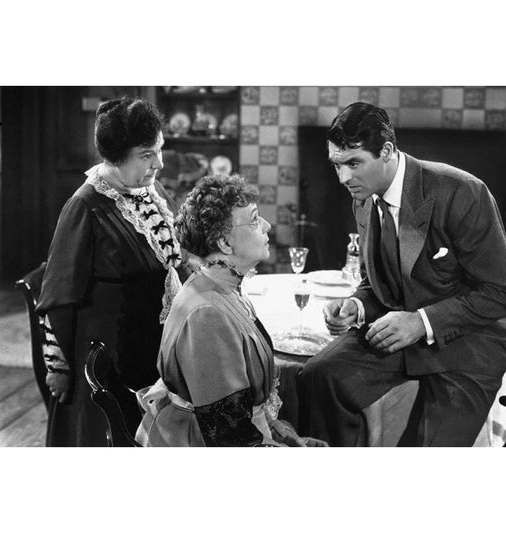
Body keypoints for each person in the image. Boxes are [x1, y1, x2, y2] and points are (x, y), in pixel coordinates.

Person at [298, 102, 506, 446]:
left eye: (354, 163)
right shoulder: (363, 196)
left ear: (387, 151)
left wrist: (420, 321)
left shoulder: (461, 191)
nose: (343, 178)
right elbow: (379, 279)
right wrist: (357, 305)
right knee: (318, 375)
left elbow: (503, 293)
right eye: (337, 165)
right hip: (402, 335)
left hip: (469, 344)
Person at [37, 96, 191, 446]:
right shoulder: (84, 206)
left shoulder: (149, 191)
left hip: (153, 353)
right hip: (109, 368)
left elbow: (174, 256)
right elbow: (58, 297)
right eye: (147, 155)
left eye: (159, 150)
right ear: (116, 157)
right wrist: (58, 369)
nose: (159, 163)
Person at [135, 174, 327, 447]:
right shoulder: (206, 315)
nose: (267, 225)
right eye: (254, 219)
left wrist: (286, 436)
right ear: (225, 243)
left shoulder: (224, 288)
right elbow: (229, 437)